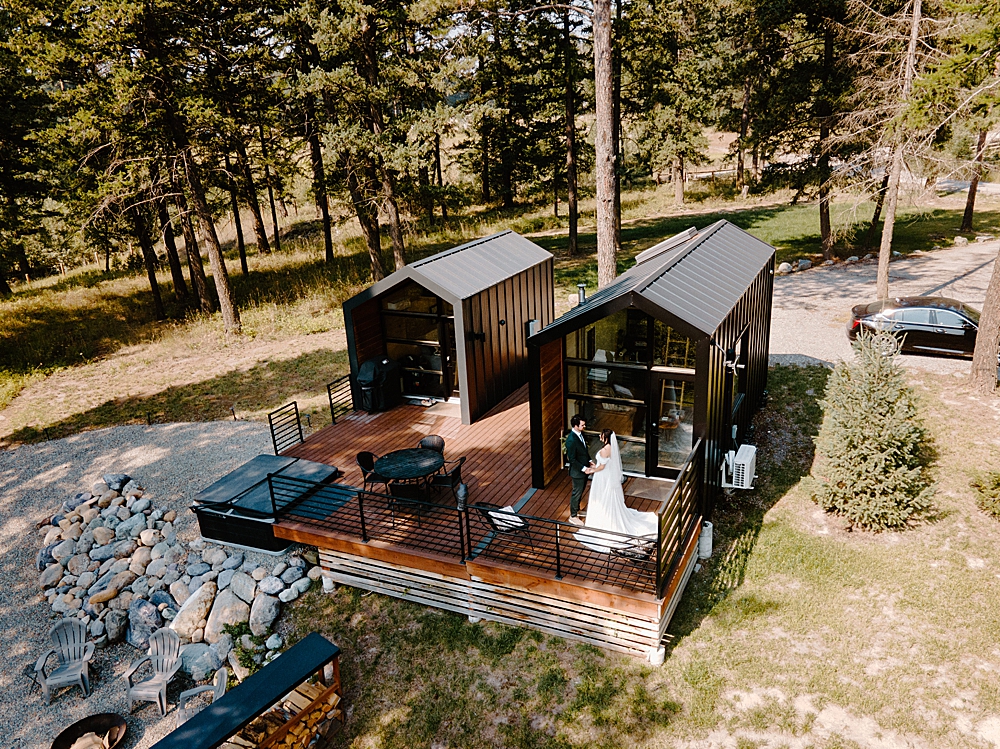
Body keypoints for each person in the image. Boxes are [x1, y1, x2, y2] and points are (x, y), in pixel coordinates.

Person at [582, 429, 657, 540]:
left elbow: (602, 467)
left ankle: (601, 519)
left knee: (601, 495)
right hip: (607, 474)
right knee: (606, 496)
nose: (599, 436)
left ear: (605, 437)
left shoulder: (604, 450)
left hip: (602, 476)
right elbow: (605, 464)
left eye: (601, 435)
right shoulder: (611, 448)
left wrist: (591, 471)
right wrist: (595, 466)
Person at [564, 414, 593, 526]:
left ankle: (576, 510)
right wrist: (584, 468)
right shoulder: (571, 440)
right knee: (577, 493)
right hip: (578, 472)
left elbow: (583, 451)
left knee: (580, 492)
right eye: (582, 425)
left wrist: (590, 460)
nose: (584, 426)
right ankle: (573, 515)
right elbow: (572, 459)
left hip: (584, 469)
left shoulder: (581, 435)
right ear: (576, 426)